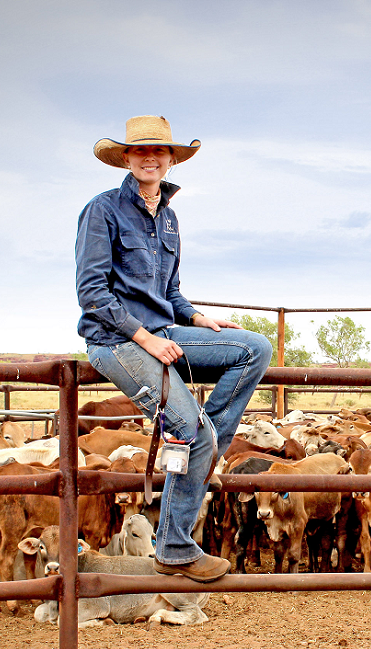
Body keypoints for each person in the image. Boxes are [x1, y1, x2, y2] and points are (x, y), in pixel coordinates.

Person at [76, 115, 272, 582]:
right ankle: (176, 547)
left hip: (165, 331)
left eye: (159, 151)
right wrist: (144, 337)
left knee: (254, 347)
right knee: (193, 431)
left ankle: (209, 445)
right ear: (126, 157)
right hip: (117, 340)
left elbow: (172, 291)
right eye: (140, 151)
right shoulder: (102, 210)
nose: (150, 158)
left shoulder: (168, 217)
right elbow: (92, 293)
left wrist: (199, 318)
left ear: (170, 160)